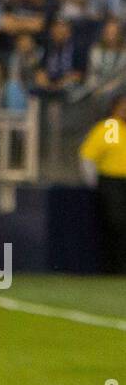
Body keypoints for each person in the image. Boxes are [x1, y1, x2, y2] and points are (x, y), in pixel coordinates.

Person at [79, 95, 126, 272]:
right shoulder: (109, 127)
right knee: (117, 223)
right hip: (112, 181)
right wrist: (93, 181)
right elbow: (88, 156)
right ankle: (114, 267)